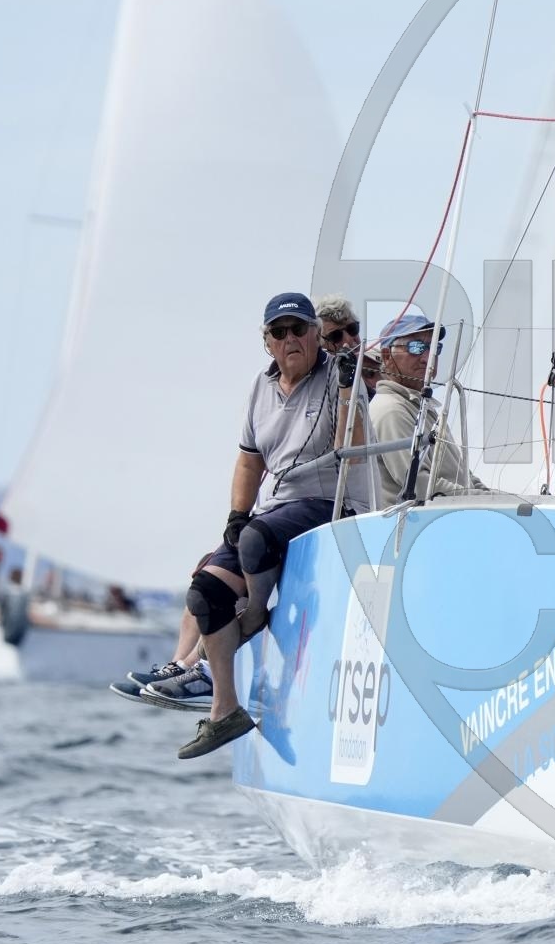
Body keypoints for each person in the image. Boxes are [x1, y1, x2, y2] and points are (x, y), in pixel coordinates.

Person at [142, 291, 376, 759]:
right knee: (205, 591)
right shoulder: (260, 387)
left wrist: (350, 388)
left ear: (315, 335)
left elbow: (350, 448)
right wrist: (237, 513)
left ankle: (252, 616)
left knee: (256, 540)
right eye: (279, 332)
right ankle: (225, 710)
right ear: (267, 341)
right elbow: (249, 461)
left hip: (332, 501)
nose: (291, 339)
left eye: (299, 329)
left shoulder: (338, 377)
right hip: (278, 507)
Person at [367, 312, 492, 503]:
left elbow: (462, 475)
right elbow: (419, 484)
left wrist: (497, 499)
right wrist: (486, 500)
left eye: (433, 348)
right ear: (387, 356)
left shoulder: (423, 408)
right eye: (416, 347)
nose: (427, 358)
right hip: (422, 519)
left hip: (451, 513)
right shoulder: (390, 410)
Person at [316, 293, 380, 397]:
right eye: (335, 336)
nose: (348, 340)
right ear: (320, 344)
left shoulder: (378, 365)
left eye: (352, 328)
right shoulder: (318, 386)